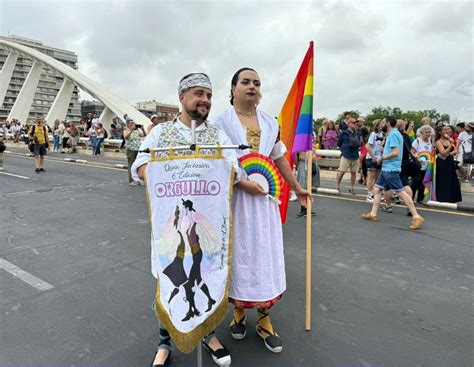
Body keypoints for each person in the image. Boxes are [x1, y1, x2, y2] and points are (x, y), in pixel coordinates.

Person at [132, 73, 242, 367]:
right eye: (198, 94)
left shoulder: (218, 136)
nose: (205, 100)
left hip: (204, 227)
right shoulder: (160, 134)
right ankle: (164, 343)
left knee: (206, 278)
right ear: (182, 97)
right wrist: (167, 171)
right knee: (171, 280)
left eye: (208, 95)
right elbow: (140, 166)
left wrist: (211, 171)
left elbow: (236, 170)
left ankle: (209, 336)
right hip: (171, 227)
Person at [213, 67, 312, 354]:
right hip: (236, 202)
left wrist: (296, 188)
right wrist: (242, 183)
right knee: (239, 253)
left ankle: (265, 319)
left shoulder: (270, 123)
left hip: (265, 203)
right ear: (233, 89)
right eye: (245, 82)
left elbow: (278, 157)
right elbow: (218, 162)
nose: (252, 86)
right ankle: (240, 314)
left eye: (257, 82)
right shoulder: (220, 123)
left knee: (264, 255)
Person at [361, 116, 424, 230]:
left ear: (389, 123)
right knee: (377, 189)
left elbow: (395, 152)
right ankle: (373, 214)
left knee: (400, 193)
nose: (381, 124)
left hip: (391, 169)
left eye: (383, 122)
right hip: (387, 169)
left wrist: (382, 158)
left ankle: (416, 216)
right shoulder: (392, 134)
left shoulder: (394, 135)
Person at [435, 125, 462, 203]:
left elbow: (455, 151)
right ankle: (442, 197)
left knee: (451, 179)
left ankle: (451, 198)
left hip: (450, 161)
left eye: (447, 130)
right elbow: (443, 153)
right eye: (444, 130)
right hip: (442, 163)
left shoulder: (449, 140)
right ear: (440, 132)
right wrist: (450, 145)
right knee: (443, 180)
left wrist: (449, 153)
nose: (446, 131)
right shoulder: (438, 142)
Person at [336, 117, 360, 193]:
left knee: (353, 172)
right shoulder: (343, 133)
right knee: (342, 171)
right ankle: (337, 185)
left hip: (355, 155)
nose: (355, 124)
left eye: (356, 123)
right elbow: (339, 144)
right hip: (346, 154)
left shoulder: (357, 133)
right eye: (353, 123)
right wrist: (343, 151)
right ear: (349, 124)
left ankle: (352, 187)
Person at [410, 125, 433, 203]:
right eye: (426, 132)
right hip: (418, 164)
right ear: (422, 133)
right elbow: (412, 152)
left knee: (424, 182)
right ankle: (411, 198)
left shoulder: (431, 142)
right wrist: (417, 159)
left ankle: (420, 199)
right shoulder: (417, 141)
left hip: (427, 165)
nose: (428, 134)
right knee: (416, 181)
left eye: (429, 132)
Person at [365, 119, 383, 202]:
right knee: (371, 176)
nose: (383, 125)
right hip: (372, 157)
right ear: (377, 125)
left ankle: (375, 193)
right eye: (381, 124)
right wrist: (373, 156)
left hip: (379, 158)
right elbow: (368, 146)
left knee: (377, 177)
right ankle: (369, 194)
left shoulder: (381, 134)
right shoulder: (373, 134)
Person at [123, 119, 145, 186]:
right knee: (131, 164)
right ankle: (131, 180)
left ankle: (139, 180)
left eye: (134, 123)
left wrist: (142, 129)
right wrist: (131, 130)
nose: (133, 125)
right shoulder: (126, 130)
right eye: (131, 123)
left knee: (138, 164)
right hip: (131, 149)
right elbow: (126, 137)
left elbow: (143, 135)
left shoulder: (137, 131)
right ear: (128, 125)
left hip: (138, 149)